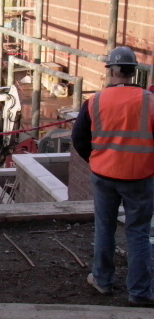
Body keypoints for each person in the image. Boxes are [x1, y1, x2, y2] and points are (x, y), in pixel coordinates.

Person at [72, 46, 154, 307]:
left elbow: (79, 138)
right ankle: (140, 292)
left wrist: (95, 160)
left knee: (105, 228)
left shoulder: (94, 101)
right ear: (134, 71)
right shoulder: (150, 101)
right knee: (138, 232)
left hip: (104, 174)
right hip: (141, 175)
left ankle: (102, 280)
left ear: (111, 70)